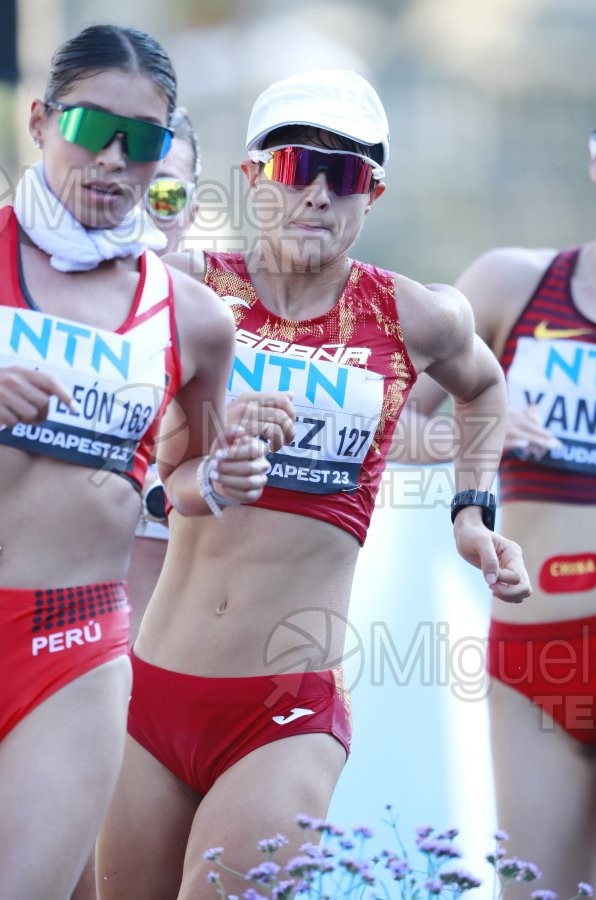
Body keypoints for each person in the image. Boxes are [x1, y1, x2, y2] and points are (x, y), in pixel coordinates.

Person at [96, 68, 532, 900]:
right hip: (149, 693)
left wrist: (472, 517)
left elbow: (483, 389)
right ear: (256, 175)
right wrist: (193, 478)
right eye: (297, 168)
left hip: (284, 712)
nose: (318, 197)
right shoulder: (186, 291)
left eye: (346, 177)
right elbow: (148, 454)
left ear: (374, 193)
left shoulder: (416, 316)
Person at [0, 24, 268, 900]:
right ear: (40, 122)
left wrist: (219, 482)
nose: (114, 160)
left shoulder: (196, 321)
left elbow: (185, 478)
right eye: (90, 130)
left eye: (143, 140)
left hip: (70, 641)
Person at [396, 127, 596, 897]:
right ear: (593, 159)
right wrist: (469, 429)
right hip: (534, 654)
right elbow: (387, 425)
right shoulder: (512, 283)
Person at [127, 106, 202, 641]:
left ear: (191, 209)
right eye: (131, 184)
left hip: (174, 662)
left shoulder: (220, 326)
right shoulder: (28, 305)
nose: (145, 210)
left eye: (166, 195)